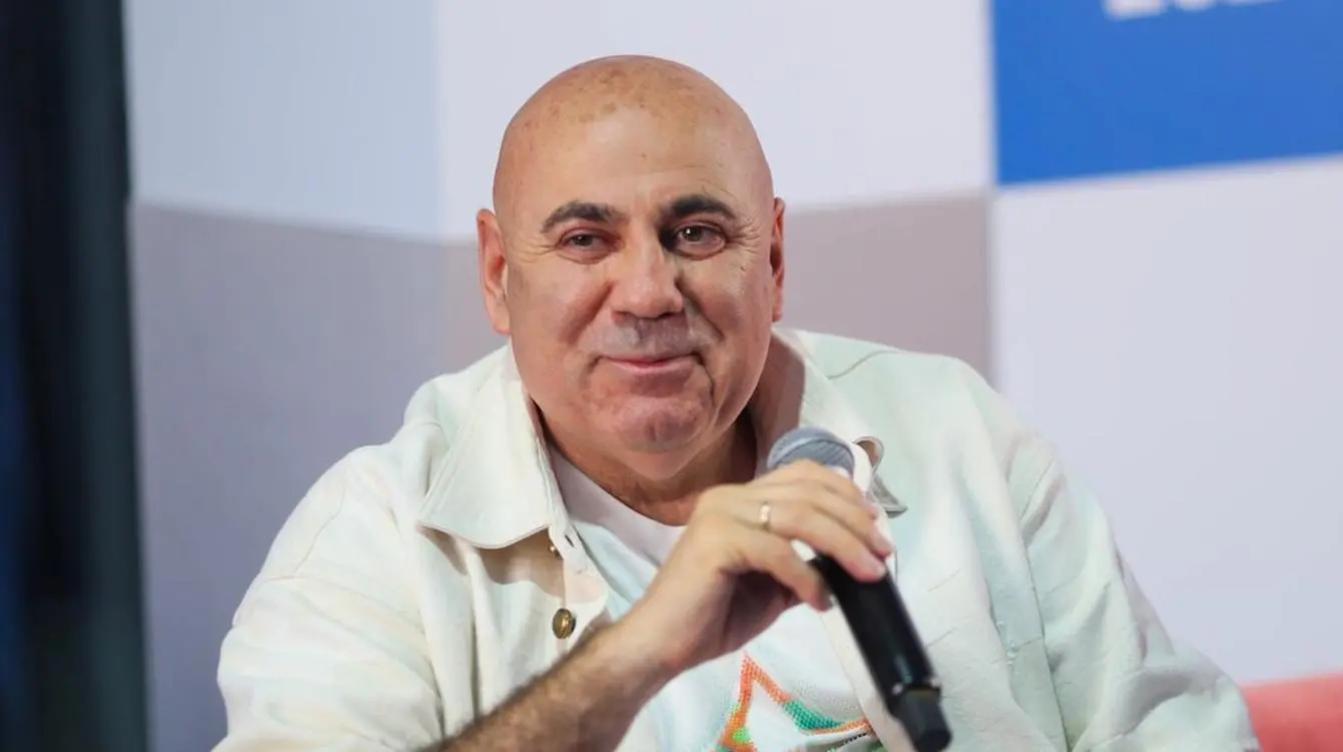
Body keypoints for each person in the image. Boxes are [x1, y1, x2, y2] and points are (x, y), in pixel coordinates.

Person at [215, 56, 1258, 751]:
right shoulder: (374, 541)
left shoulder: (956, 434)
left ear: (775, 259)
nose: (646, 292)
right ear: (498, 274)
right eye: (584, 240)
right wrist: (637, 654)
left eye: (696, 233)